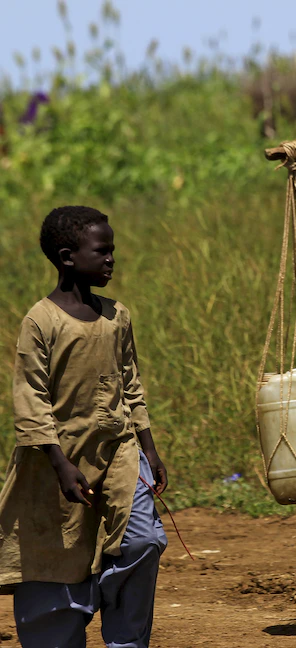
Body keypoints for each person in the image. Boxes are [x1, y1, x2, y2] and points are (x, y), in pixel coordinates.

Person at [0, 206, 168, 646]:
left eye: (113, 250)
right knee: (55, 560)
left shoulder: (117, 316)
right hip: (56, 461)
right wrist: (59, 463)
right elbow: (31, 399)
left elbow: (131, 383)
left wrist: (148, 446)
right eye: (103, 251)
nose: (112, 259)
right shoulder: (41, 321)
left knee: (143, 540)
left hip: (119, 451)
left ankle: (126, 637)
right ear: (67, 256)